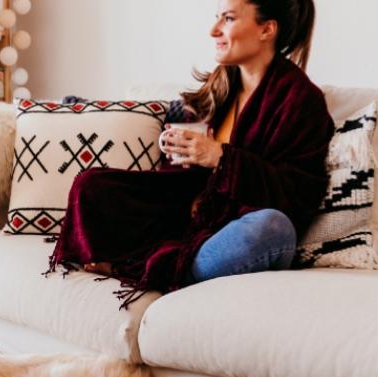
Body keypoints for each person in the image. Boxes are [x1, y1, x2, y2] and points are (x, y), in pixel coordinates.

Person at [47, 0, 334, 307]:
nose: (213, 31)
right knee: (92, 184)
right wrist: (182, 152)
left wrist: (221, 159)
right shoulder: (221, 83)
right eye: (216, 18)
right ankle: (153, 262)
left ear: (267, 29)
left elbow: (299, 193)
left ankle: (162, 269)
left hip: (237, 227)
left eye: (228, 18)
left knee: (272, 229)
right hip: (191, 214)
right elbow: (188, 177)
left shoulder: (300, 100)